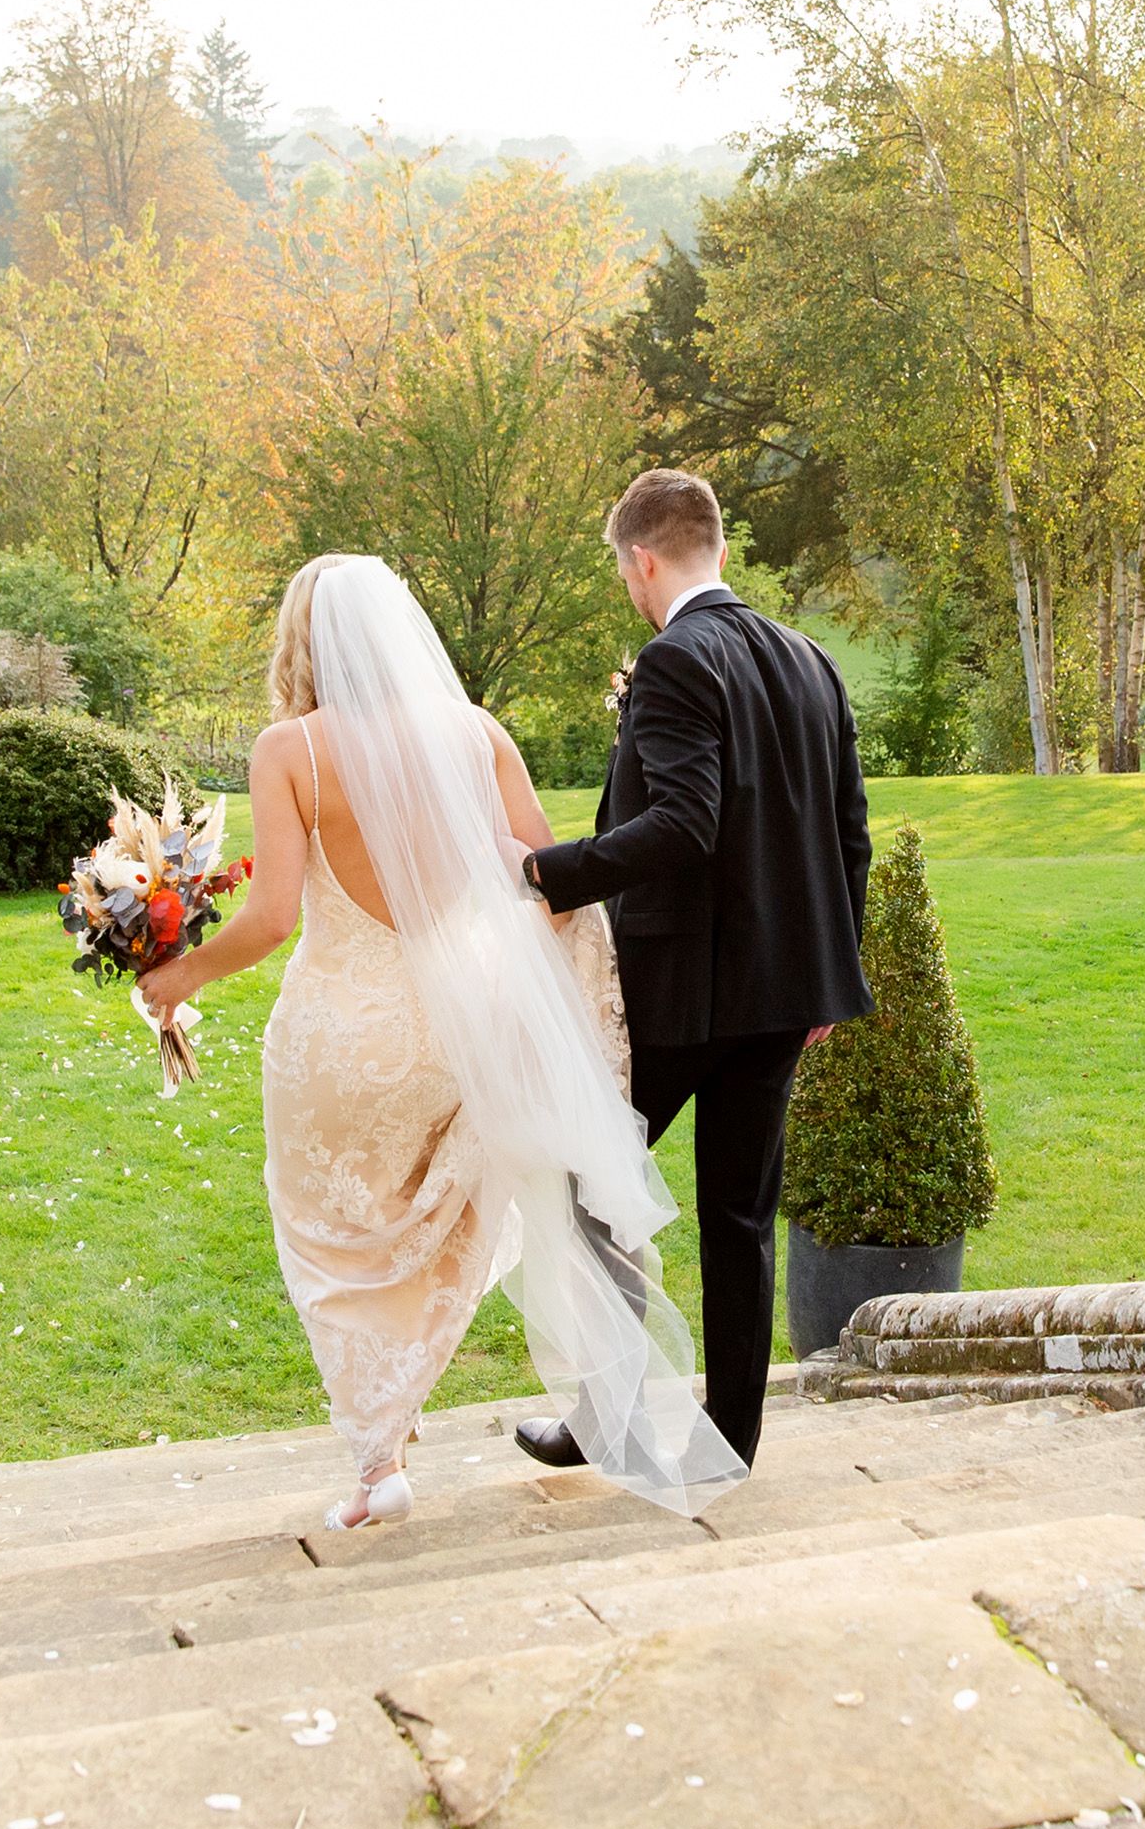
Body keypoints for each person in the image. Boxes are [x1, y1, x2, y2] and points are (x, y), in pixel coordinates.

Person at [138, 553, 743, 1532]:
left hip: (338, 1037)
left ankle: (379, 1459)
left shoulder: (290, 750)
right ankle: (409, 1426)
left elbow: (274, 917)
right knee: (438, 1230)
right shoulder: (478, 735)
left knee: (333, 1239)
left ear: (303, 641)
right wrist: (523, 1006)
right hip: (457, 1036)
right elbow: (551, 883)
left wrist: (180, 973)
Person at [513, 469, 872, 1470]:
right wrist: (828, 980)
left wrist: (544, 872)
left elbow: (683, 823)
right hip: (782, 996)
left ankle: (606, 1417)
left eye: (624, 570)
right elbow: (852, 843)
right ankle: (731, 1441)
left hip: (681, 994)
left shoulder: (675, 661)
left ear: (644, 558)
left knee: (588, 1188)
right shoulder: (812, 662)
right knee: (740, 1219)